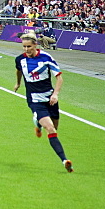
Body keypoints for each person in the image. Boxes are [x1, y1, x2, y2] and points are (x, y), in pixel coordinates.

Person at [14, 32, 73, 173]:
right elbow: (18, 71)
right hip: (35, 100)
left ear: (35, 45)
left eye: (29, 46)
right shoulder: (19, 60)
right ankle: (65, 161)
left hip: (50, 99)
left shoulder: (46, 58)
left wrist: (55, 94)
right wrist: (17, 83)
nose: (26, 50)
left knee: (55, 128)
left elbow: (59, 78)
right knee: (50, 128)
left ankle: (37, 123)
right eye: (24, 47)